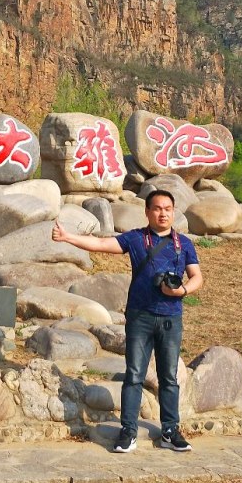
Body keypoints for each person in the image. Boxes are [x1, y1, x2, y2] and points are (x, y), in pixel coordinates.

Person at [52, 189, 202, 453]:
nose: (163, 213)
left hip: (171, 318)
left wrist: (182, 291)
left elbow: (197, 277)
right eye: (157, 208)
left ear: (173, 211)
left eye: (167, 208)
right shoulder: (136, 239)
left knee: (169, 377)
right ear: (147, 212)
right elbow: (100, 245)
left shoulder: (184, 244)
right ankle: (128, 431)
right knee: (134, 375)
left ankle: (169, 431)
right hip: (140, 316)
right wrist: (67, 238)